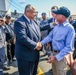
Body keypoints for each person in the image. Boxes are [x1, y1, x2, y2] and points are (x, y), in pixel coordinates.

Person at [39, 6, 75, 75]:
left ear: (62, 17)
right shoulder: (57, 26)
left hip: (61, 57)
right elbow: (50, 36)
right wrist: (40, 43)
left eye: (57, 14)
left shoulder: (69, 28)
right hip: (54, 53)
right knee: (55, 73)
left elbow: (69, 47)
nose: (55, 16)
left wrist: (56, 57)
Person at [14, 4, 42, 75]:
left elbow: (39, 30)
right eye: (34, 12)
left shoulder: (33, 21)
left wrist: (51, 25)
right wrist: (36, 45)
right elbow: (23, 37)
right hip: (25, 57)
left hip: (34, 55)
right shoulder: (19, 22)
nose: (35, 14)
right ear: (27, 12)